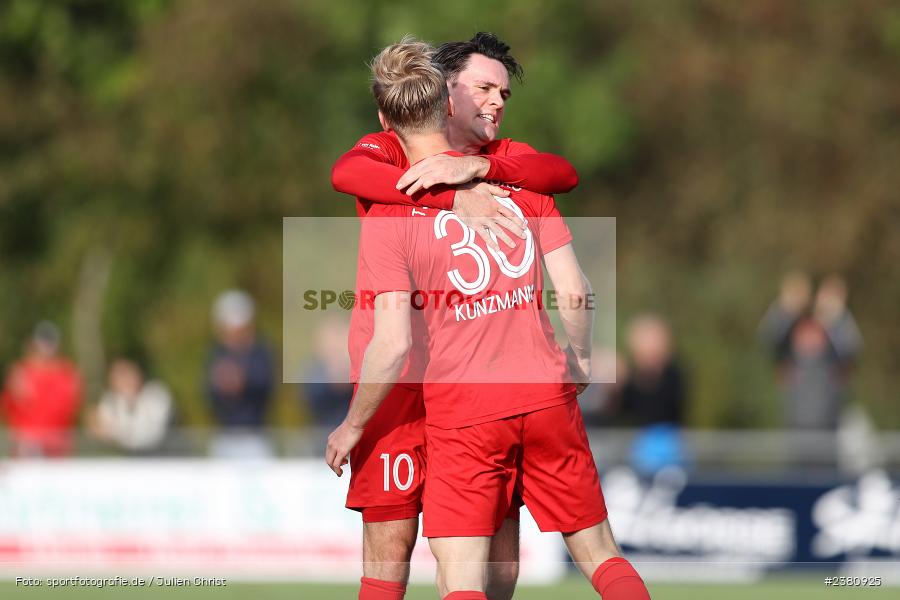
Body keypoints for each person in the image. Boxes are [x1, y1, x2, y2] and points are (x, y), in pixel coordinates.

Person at [327, 38, 649, 600]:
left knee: (477, 568)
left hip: (463, 398)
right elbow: (346, 173)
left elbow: (563, 173)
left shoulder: (512, 164)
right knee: (391, 548)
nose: (496, 101)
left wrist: (481, 168)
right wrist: (450, 193)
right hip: (409, 394)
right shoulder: (387, 152)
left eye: (503, 91)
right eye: (483, 87)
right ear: (444, 96)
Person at [205, 289, 275, 458]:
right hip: (224, 438)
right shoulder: (216, 353)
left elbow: (266, 387)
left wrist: (244, 380)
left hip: (256, 438)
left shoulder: (261, 352)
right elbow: (207, 392)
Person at [1, 321, 83, 457]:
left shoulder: (67, 374)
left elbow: (68, 410)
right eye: (43, 342)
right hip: (24, 450)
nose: (46, 347)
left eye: (49, 342)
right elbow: (7, 409)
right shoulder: (20, 372)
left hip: (56, 451)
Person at [88, 358, 173, 454]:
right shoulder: (110, 402)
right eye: (119, 376)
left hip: (161, 455)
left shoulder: (156, 393)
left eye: (126, 374)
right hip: (122, 456)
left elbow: (152, 433)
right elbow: (100, 431)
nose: (125, 380)